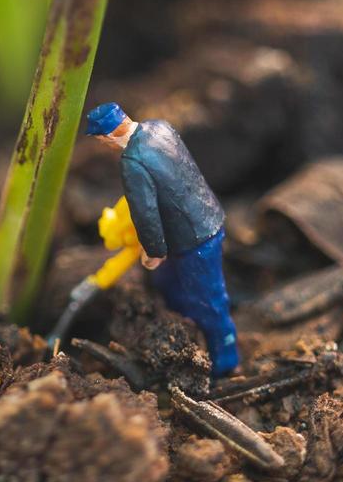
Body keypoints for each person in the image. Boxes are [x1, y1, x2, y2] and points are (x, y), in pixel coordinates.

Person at [85, 101, 239, 375]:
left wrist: (154, 252)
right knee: (167, 283)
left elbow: (146, 212)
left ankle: (224, 362)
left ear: (107, 136)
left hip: (194, 240)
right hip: (206, 213)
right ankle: (179, 326)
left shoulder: (132, 162)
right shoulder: (159, 127)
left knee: (209, 300)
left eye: (100, 140)